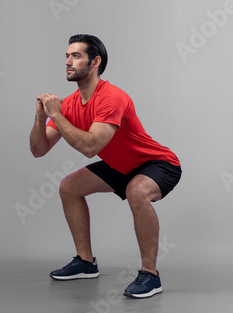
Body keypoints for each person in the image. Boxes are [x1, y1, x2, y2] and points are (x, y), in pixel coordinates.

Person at [29, 34, 181, 299]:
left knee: (137, 190)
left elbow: (90, 148)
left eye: (76, 56)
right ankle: (85, 262)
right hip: (120, 166)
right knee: (69, 187)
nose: (68, 61)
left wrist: (55, 114)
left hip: (158, 163)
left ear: (95, 61)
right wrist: (41, 117)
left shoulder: (112, 97)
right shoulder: (68, 105)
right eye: (67, 56)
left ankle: (150, 275)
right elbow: (38, 150)